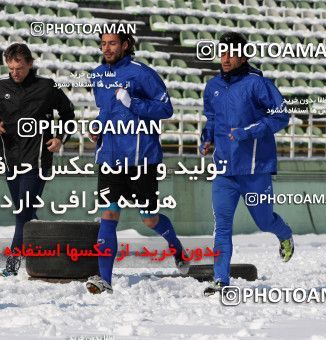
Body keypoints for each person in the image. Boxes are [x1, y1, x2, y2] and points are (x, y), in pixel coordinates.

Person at [85, 32, 190, 294]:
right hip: (110, 156)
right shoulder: (98, 74)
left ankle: (177, 248)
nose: (106, 48)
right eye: (103, 43)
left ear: (125, 45)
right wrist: (97, 126)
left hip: (141, 157)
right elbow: (106, 111)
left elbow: (166, 109)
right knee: (109, 215)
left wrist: (134, 103)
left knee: (149, 219)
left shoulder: (143, 73)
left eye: (112, 43)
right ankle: (104, 279)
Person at [199, 32, 294, 296]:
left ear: (244, 56)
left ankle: (284, 233)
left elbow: (281, 116)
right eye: (223, 53)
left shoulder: (258, 84)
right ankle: (221, 280)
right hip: (224, 171)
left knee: (264, 221)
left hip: (255, 169)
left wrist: (248, 131)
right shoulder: (213, 87)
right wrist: (206, 141)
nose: (226, 58)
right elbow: (212, 121)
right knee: (222, 225)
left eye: (232, 53)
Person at [0, 43, 75, 276]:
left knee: (23, 211)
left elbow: (68, 114)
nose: (15, 72)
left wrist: (60, 137)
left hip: (39, 159)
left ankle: (12, 266)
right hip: (10, 160)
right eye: (10, 68)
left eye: (19, 67)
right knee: (27, 214)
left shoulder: (47, 87)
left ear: (30, 64)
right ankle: (49, 253)